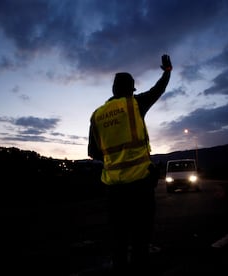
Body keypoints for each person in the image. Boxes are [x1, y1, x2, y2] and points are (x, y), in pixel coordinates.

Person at [88, 54, 172, 275]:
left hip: (113, 188)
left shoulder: (97, 115)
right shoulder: (134, 104)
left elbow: (92, 152)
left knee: (119, 239)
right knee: (140, 239)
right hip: (140, 185)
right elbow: (158, 90)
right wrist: (167, 71)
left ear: (113, 90)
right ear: (131, 90)